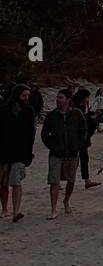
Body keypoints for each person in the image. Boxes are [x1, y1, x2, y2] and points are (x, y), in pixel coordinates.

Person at [41, 89, 87, 219]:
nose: (58, 100)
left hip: (72, 153)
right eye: (57, 98)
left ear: (68, 100)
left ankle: (66, 200)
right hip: (56, 154)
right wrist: (52, 145)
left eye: (61, 98)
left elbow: (83, 131)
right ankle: (53, 208)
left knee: (71, 180)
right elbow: (44, 134)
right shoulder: (51, 116)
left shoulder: (77, 114)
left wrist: (77, 145)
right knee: (54, 181)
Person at [0, 83, 35, 223]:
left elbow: (31, 134)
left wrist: (28, 153)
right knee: (2, 184)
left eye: (27, 96)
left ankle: (16, 211)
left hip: (20, 152)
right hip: (3, 152)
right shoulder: (3, 110)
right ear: (16, 95)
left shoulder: (29, 111)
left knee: (16, 181)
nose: (26, 98)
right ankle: (4, 209)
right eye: (24, 95)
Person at [72, 88, 101, 190]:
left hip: (83, 137)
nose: (88, 99)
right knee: (73, 159)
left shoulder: (82, 106)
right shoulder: (75, 107)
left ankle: (87, 180)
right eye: (87, 97)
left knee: (84, 158)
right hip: (76, 137)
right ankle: (68, 179)